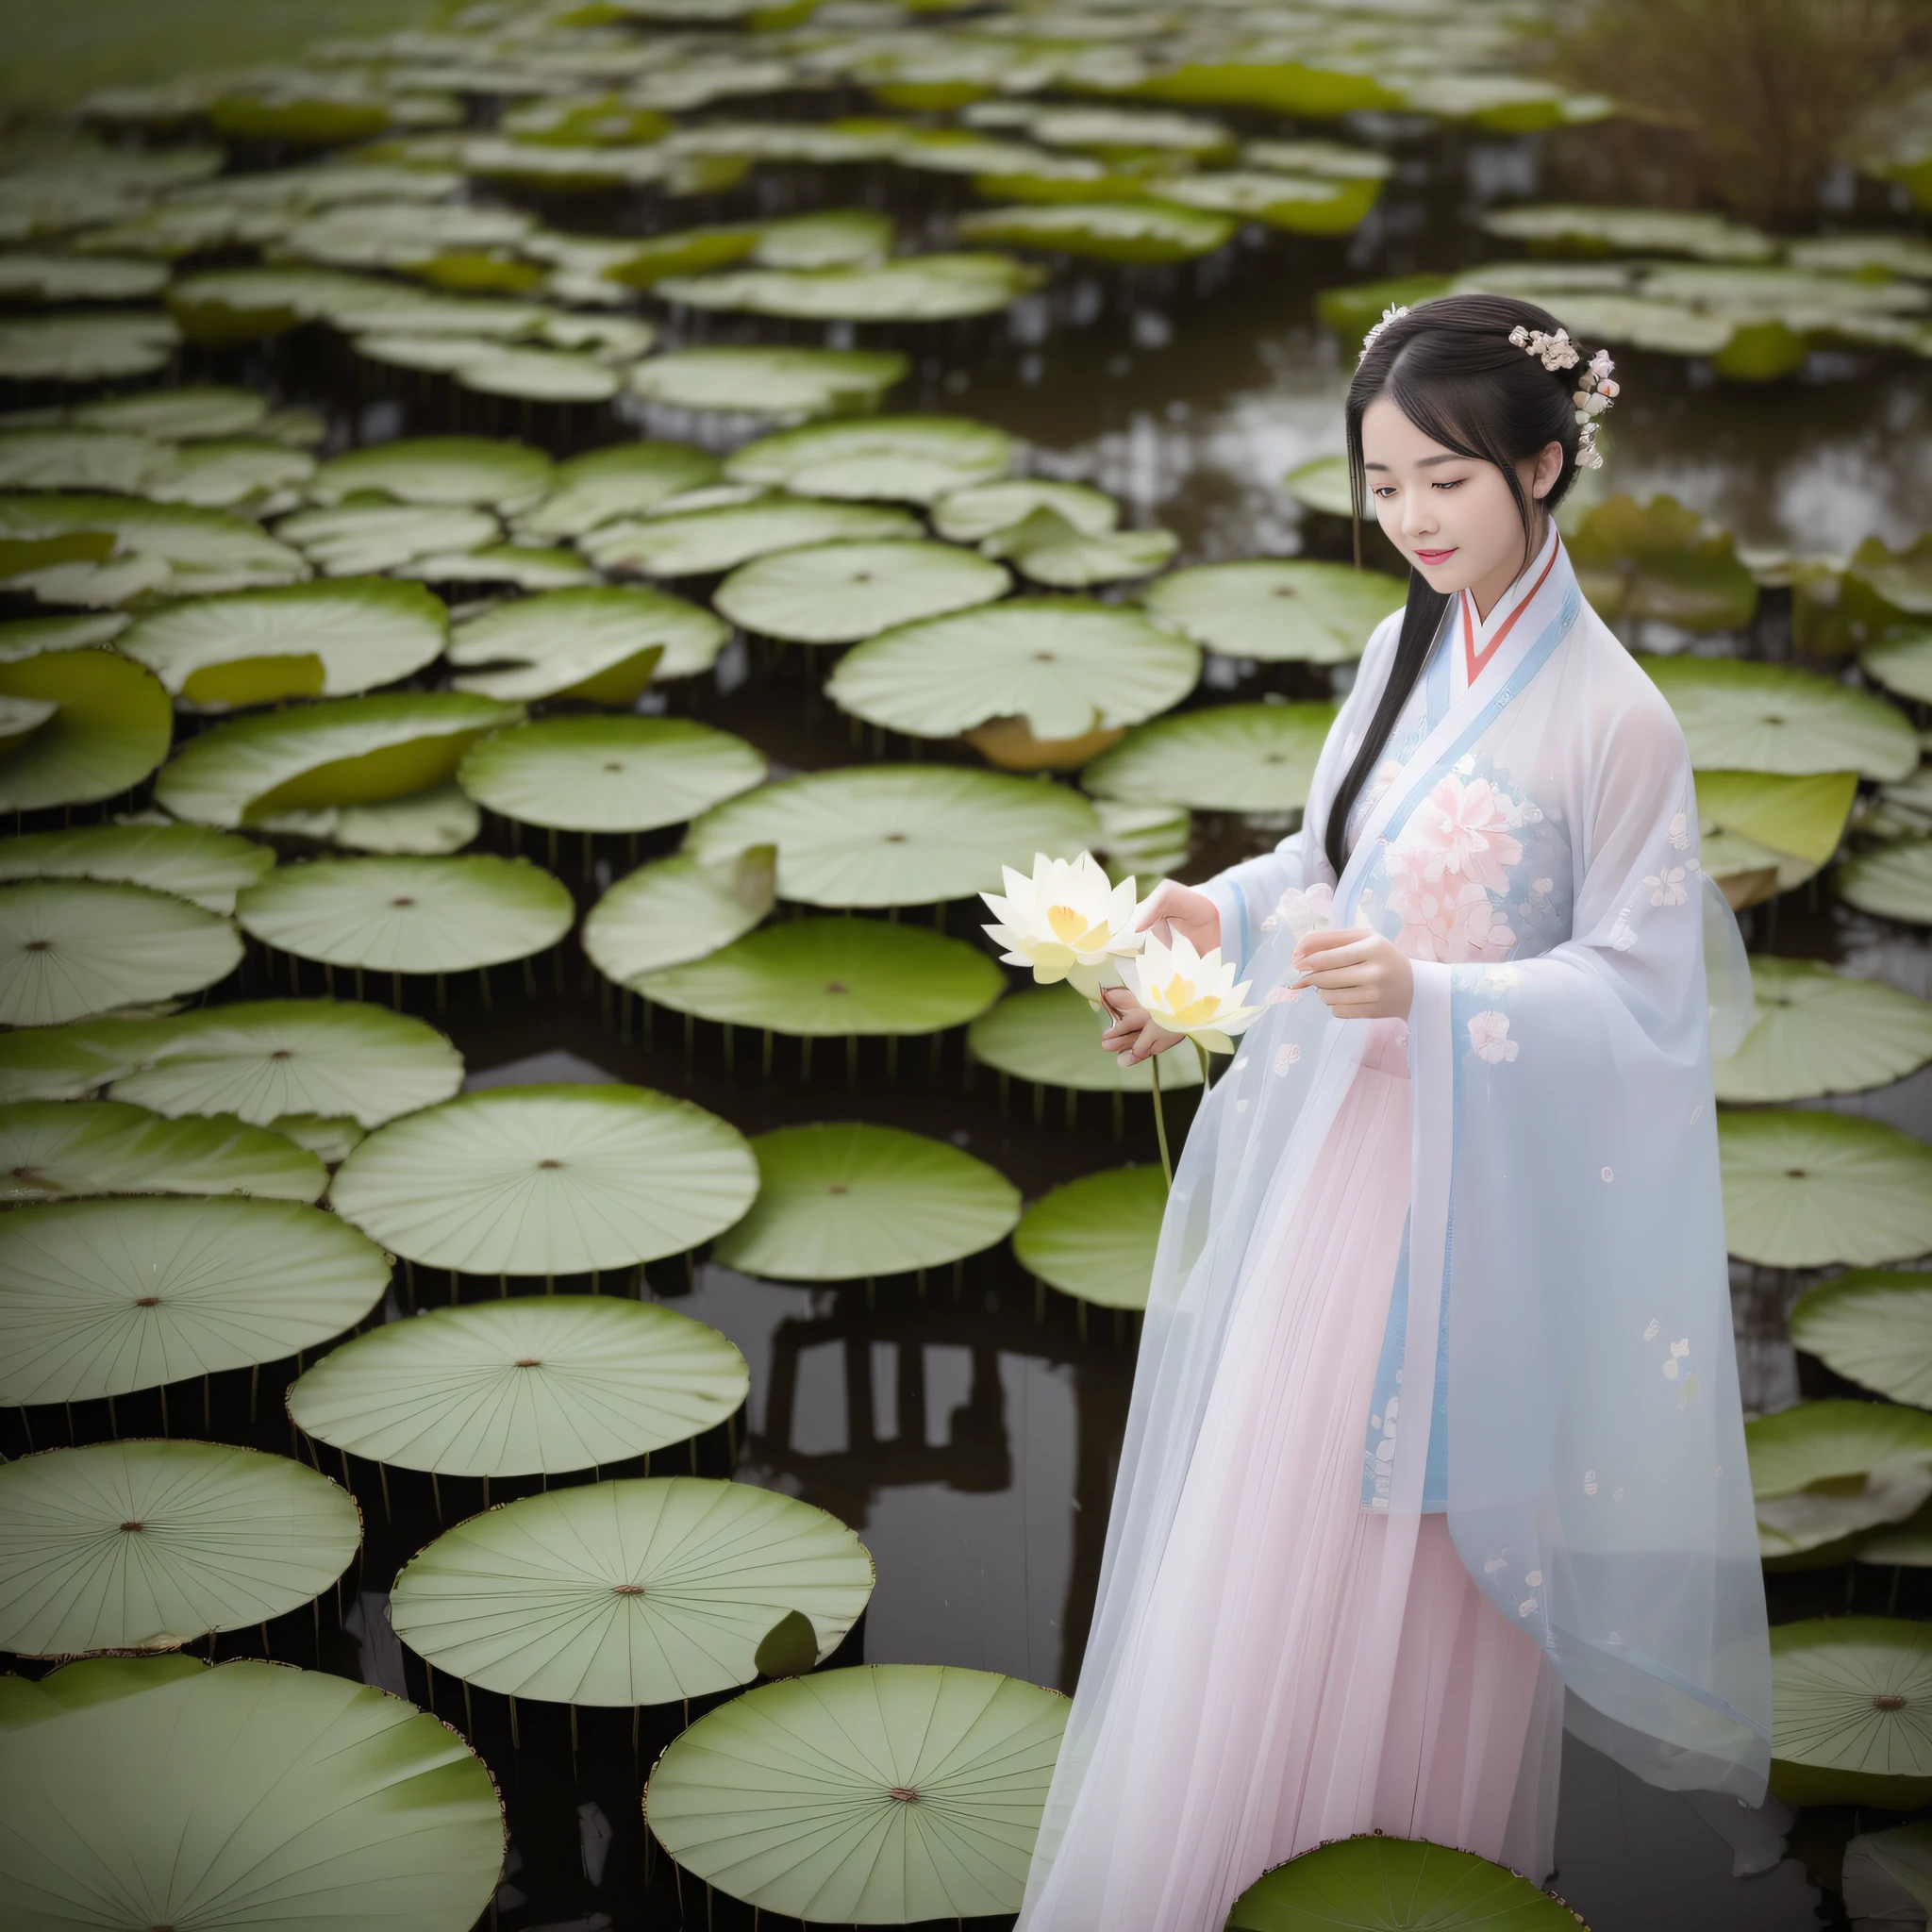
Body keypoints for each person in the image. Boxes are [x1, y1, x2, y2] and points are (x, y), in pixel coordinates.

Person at [1015, 294, 1770, 1930]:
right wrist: (1211, 915)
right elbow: (1335, 865)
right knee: (1271, 1541)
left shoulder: (1617, 719)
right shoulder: (1403, 643)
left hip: (1473, 1192)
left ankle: (1398, 1860)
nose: (1413, 522)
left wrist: (1438, 1003)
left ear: (1545, 466)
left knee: (1419, 1557)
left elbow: (1650, 996)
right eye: (1383, 484)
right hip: (1339, 1171)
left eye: (1449, 481)